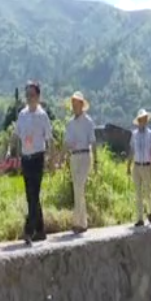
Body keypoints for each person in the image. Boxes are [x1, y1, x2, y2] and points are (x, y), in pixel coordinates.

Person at [11, 80, 54, 245]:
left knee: (34, 194)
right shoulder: (22, 115)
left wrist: (51, 160)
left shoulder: (42, 116)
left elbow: (50, 139)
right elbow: (15, 135)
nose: (29, 98)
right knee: (31, 196)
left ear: (38, 96)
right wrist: (10, 151)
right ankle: (41, 230)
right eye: (27, 95)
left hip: (37, 157)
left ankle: (29, 230)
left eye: (32, 95)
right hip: (26, 158)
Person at [64, 91, 97, 233]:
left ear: (82, 105)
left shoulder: (88, 122)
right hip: (74, 156)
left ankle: (81, 223)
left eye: (76, 103)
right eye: (73, 103)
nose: (74, 106)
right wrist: (63, 157)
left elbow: (93, 142)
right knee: (76, 188)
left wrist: (96, 161)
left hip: (85, 155)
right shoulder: (70, 124)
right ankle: (79, 221)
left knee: (79, 186)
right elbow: (66, 143)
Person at [127, 109, 151, 227]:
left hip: (146, 166)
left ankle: (149, 211)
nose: (142, 121)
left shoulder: (150, 134)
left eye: (144, 119)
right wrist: (128, 165)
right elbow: (132, 150)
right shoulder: (134, 134)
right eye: (140, 119)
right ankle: (140, 218)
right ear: (138, 121)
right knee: (138, 193)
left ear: (146, 120)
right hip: (137, 165)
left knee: (147, 192)